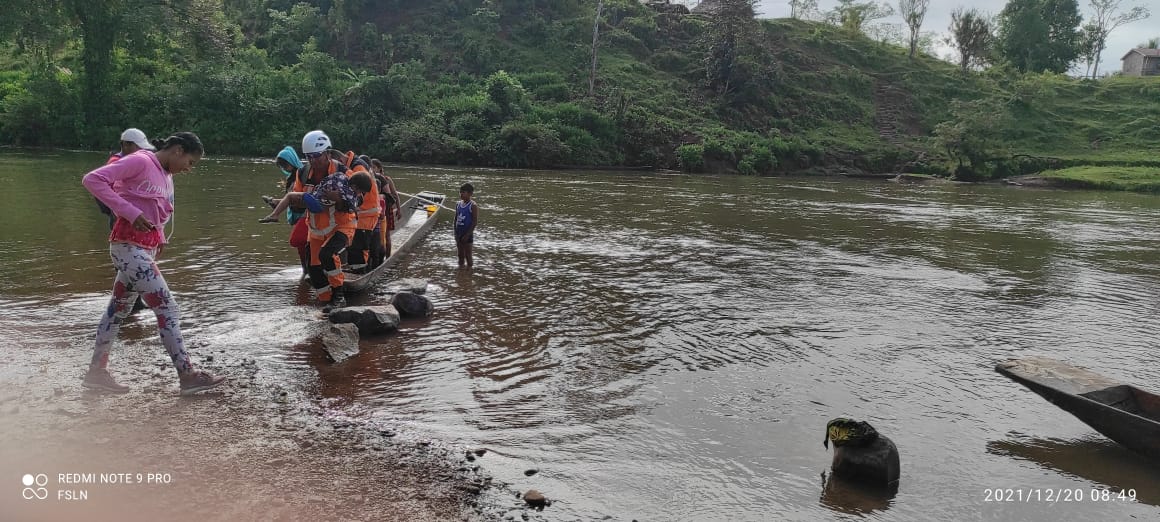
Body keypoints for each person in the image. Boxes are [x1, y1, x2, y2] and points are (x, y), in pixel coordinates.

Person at [80, 132, 227, 395]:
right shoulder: (141, 160)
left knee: (117, 312)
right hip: (127, 248)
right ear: (178, 151)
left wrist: (159, 237)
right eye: (190, 163)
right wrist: (130, 212)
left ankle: (96, 374)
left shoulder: (166, 175)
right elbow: (93, 180)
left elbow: (156, 211)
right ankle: (187, 375)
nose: (189, 169)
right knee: (168, 307)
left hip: (142, 252)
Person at [96, 128, 157, 229]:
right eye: (138, 147)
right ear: (125, 145)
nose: (142, 150)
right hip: (118, 211)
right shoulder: (116, 162)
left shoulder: (133, 160)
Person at [455, 182, 479, 268]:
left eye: (463, 192)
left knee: (468, 255)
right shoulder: (458, 204)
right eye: (460, 192)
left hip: (467, 234)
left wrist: (467, 235)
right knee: (460, 255)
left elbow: (474, 222)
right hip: (459, 233)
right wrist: (455, 233)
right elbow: (456, 219)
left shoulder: (473, 206)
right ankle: (461, 274)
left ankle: (469, 274)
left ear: (470, 194)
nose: (461, 194)